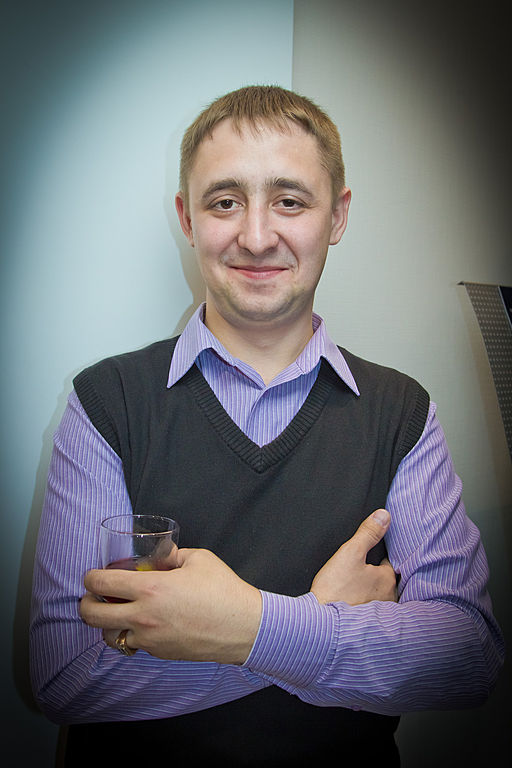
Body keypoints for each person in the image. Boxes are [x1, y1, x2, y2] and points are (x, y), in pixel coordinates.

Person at [30, 86, 504, 767]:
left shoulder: (403, 413)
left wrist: (245, 629)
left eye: (290, 201)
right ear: (187, 218)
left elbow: (467, 658)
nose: (256, 236)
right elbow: (67, 676)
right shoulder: (106, 404)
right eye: (225, 202)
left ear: (337, 216)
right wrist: (319, 619)